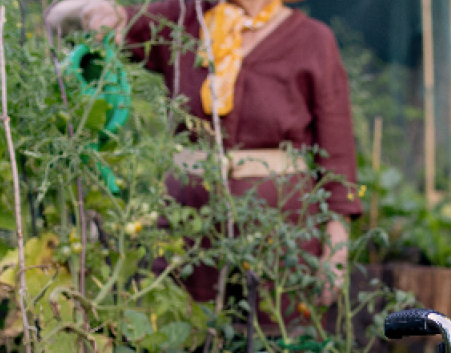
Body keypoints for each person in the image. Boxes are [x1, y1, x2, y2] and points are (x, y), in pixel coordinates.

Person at [44, 0, 359, 307]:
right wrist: (95, 11)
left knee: (275, 338)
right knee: (176, 330)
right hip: (187, 224)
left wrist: (336, 253)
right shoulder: (183, 18)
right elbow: (69, 17)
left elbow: (338, 156)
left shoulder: (313, 40)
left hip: (280, 230)